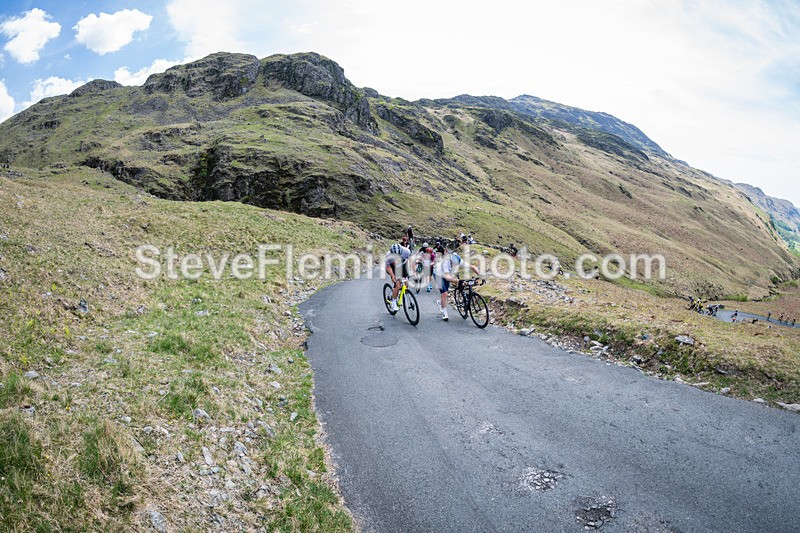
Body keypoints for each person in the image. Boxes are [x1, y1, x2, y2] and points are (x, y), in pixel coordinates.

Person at [434, 252, 481, 321]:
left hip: (446, 274)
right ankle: (444, 312)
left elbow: (473, 267)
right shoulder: (445, 263)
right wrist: (459, 281)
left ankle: (440, 302)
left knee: (446, 293)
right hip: (438, 274)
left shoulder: (459, 260)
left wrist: (481, 276)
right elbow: (447, 278)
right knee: (444, 293)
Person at [385, 240, 411, 311]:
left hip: (403, 265)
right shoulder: (388, 256)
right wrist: (393, 276)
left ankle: (400, 295)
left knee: (406, 284)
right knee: (398, 285)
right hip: (392, 267)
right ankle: (393, 301)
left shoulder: (407, 251)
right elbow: (388, 267)